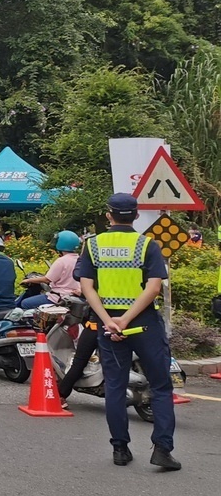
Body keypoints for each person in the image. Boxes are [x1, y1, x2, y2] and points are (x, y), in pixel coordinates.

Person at [77, 192, 178, 470]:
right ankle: (162, 449)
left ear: (108, 216)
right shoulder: (147, 245)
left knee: (115, 386)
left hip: (108, 325)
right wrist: (127, 320)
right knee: (159, 386)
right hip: (144, 324)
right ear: (135, 216)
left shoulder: (92, 245)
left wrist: (110, 320)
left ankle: (120, 449)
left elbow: (86, 287)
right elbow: (153, 288)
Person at [19, 230, 82, 309]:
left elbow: (47, 279)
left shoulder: (61, 261)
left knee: (25, 303)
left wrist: (28, 280)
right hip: (74, 297)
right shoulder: (80, 260)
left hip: (58, 298)